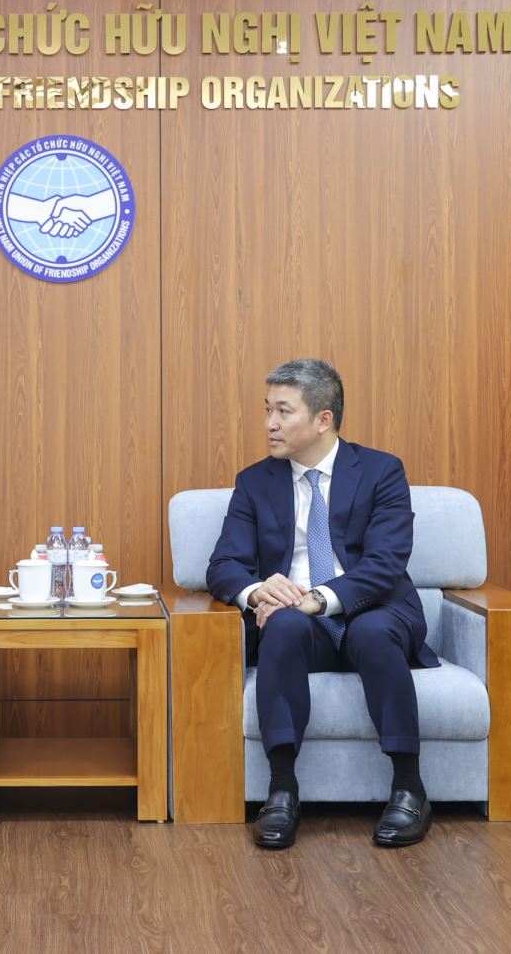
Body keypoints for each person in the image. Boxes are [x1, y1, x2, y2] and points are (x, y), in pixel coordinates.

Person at [207, 358, 438, 850]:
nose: (269, 423)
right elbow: (223, 564)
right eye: (267, 410)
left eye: (283, 411)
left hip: (372, 609)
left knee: (372, 633)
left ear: (323, 419)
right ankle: (282, 789)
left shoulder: (381, 471)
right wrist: (258, 592)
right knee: (281, 626)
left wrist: (318, 599)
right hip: (296, 622)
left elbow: (385, 563)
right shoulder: (255, 482)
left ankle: (409, 787)